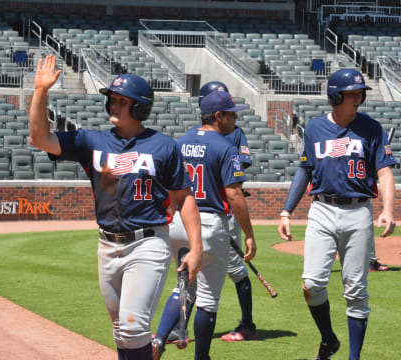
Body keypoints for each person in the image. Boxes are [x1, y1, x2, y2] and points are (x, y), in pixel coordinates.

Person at [29, 54, 202, 360]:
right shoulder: (91, 141)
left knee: (134, 329)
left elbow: (185, 198)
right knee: (122, 334)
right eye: (112, 99)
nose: (114, 105)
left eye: (123, 101)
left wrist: (196, 249)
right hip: (107, 246)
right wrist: (41, 91)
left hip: (147, 243)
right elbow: (40, 138)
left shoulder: (163, 146)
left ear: (140, 107)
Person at [277, 68, 396, 360]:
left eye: (360, 93)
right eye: (351, 93)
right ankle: (329, 339)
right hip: (322, 210)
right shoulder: (316, 128)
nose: (358, 98)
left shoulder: (371, 129)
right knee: (313, 284)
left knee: (356, 291)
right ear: (334, 96)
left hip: (358, 212)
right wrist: (286, 210)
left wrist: (388, 209)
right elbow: (305, 169)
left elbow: (384, 171)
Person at [152, 90, 257, 360]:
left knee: (184, 287)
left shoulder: (181, 141)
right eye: (232, 113)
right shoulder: (225, 146)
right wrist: (249, 234)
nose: (235, 119)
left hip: (179, 221)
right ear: (218, 116)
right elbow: (234, 194)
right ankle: (202, 357)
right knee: (208, 298)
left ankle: (160, 339)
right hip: (209, 222)